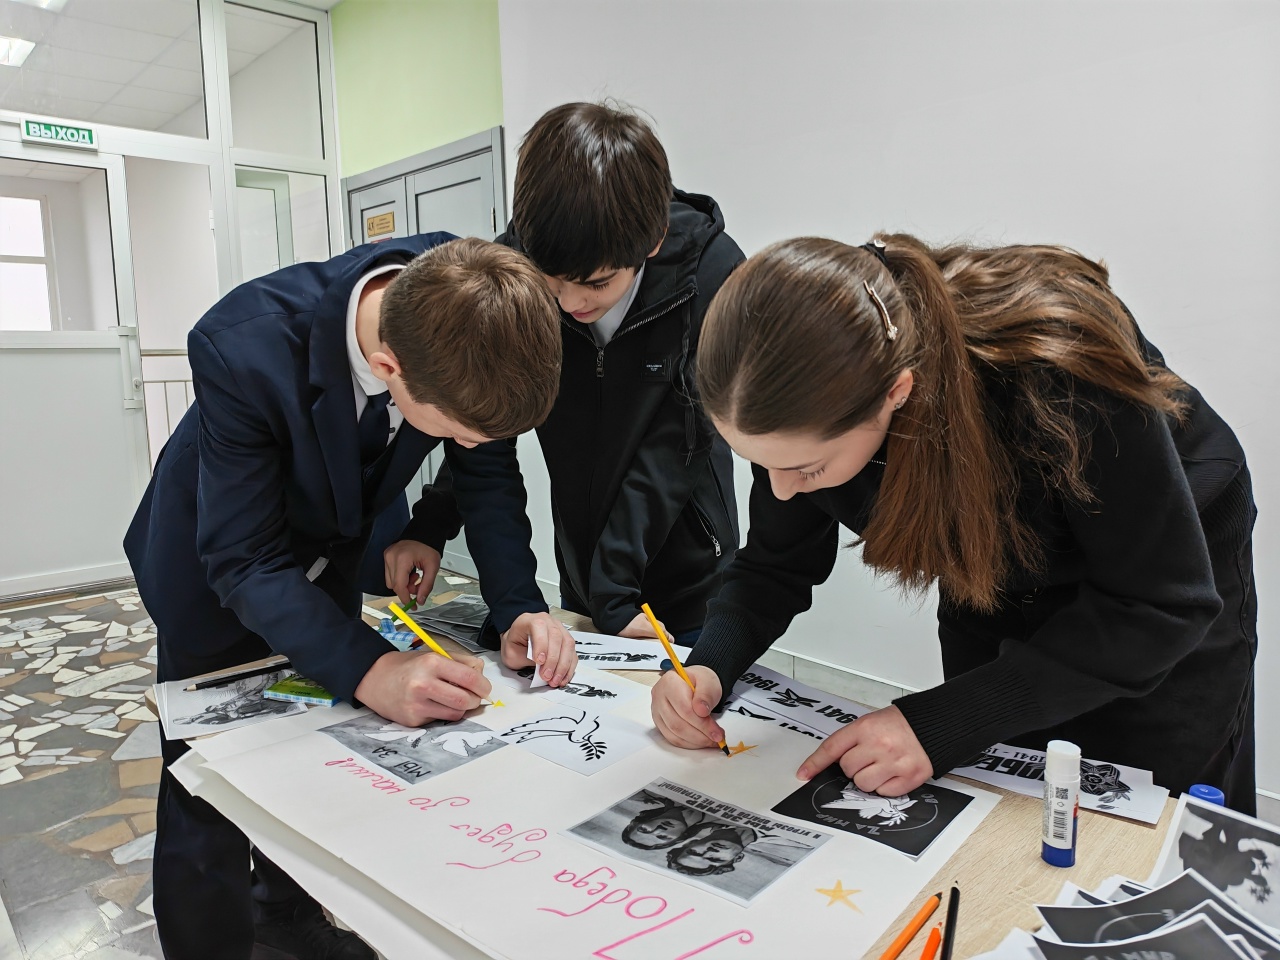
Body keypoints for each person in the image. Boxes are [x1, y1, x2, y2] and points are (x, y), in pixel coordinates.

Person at [651, 234, 1258, 813]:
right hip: (993, 559)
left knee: (1141, 795)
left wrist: (940, 721)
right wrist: (709, 664)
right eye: (762, 465)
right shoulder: (798, 404)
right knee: (999, 785)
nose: (782, 490)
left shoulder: (1058, 371)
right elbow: (774, 564)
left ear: (897, 393)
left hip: (1158, 567)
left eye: (806, 469)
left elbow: (1160, 606)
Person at [125, 235, 576, 959]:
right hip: (214, 565)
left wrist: (520, 605)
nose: (465, 446)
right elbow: (244, 557)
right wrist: (374, 669)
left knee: (313, 750)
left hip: (326, 555)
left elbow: (487, 476)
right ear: (389, 368)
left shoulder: (465, 300)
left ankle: (285, 914)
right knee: (207, 781)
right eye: (456, 434)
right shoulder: (243, 346)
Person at [423, 102, 745, 645]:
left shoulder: (711, 275)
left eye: (597, 283)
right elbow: (485, 420)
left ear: (653, 240)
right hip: (582, 569)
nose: (571, 304)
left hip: (689, 575)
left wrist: (614, 593)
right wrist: (433, 521)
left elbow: (679, 445)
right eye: (552, 282)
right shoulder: (513, 266)